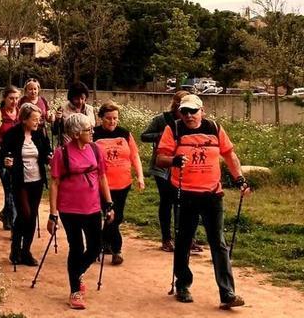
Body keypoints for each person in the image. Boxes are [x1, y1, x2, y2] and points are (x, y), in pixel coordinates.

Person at [156, 94, 248, 309]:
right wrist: (174, 160)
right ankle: (183, 284)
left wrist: (240, 178)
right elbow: (160, 158)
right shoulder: (174, 129)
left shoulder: (214, 128)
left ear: (202, 111)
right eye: (185, 111)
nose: (188, 115)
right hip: (185, 193)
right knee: (184, 241)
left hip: (213, 195)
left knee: (219, 243)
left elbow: (229, 154)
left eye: (193, 111)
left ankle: (227, 293)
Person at [47, 113, 115, 310]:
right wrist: (53, 214)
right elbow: (55, 183)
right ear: (76, 133)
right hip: (70, 209)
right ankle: (75, 290)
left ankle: (76, 273)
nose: (92, 132)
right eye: (88, 130)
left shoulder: (95, 149)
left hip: (93, 207)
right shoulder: (62, 153)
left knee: (95, 247)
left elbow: (102, 178)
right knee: (76, 248)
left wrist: (109, 203)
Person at [92, 101, 144, 265]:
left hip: (123, 183)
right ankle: (116, 249)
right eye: (108, 118)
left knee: (117, 216)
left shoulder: (125, 134)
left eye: (115, 118)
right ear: (101, 118)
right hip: (103, 184)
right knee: (110, 216)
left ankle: (102, 242)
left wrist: (140, 176)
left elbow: (134, 156)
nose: (112, 121)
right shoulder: (94, 134)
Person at [1, 102, 51, 265]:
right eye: (35, 119)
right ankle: (15, 249)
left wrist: (50, 157)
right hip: (19, 180)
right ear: (24, 120)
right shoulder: (12, 134)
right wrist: (6, 161)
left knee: (32, 216)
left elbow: (45, 153)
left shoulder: (39, 134)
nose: (38, 122)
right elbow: (3, 154)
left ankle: (26, 251)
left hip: (36, 180)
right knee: (25, 214)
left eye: (39, 119)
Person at [141, 90, 190, 252]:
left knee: (181, 202)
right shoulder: (162, 119)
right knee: (167, 200)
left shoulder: (188, 121)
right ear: (176, 104)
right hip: (162, 166)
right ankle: (166, 239)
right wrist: (162, 135)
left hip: (181, 165)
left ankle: (185, 238)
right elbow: (144, 136)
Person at [0, 86, 21, 231]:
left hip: (18, 157)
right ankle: (12, 222)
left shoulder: (21, 115)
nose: (14, 101)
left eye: (16, 98)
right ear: (4, 98)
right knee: (9, 187)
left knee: (15, 188)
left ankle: (6, 214)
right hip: (1, 157)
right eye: (11, 98)